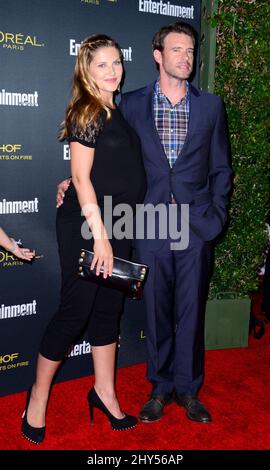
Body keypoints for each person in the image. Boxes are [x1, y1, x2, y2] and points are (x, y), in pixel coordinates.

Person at [57, 21, 232, 425]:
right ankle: (160, 387)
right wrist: (72, 179)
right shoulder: (130, 104)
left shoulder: (211, 106)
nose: (185, 58)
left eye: (189, 51)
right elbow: (103, 153)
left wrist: (217, 215)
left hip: (195, 223)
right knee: (155, 310)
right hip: (149, 221)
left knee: (191, 311)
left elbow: (222, 168)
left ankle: (188, 389)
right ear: (158, 55)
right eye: (176, 50)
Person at [21, 34, 146, 445]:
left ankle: (104, 392)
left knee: (108, 310)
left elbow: (99, 167)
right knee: (76, 311)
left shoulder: (116, 109)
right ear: (86, 72)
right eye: (102, 65)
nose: (113, 71)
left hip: (120, 222)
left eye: (117, 62)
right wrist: (101, 238)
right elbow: (79, 178)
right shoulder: (87, 110)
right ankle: (36, 398)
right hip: (90, 226)